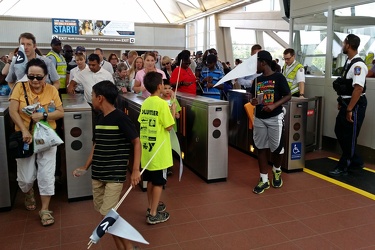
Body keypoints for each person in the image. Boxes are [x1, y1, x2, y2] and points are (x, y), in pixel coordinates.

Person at [73, 80, 141, 249]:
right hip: (98, 173)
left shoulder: (121, 118)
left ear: (100, 98)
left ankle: (129, 247)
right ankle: (128, 246)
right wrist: (85, 166)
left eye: (93, 96)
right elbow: (96, 144)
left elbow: (136, 142)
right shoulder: (99, 118)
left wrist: (135, 170)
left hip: (114, 174)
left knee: (107, 214)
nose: (92, 99)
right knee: (106, 216)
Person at [8, 58, 64, 225]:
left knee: (47, 174)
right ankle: (28, 190)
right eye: (31, 76)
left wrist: (44, 115)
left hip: (46, 138)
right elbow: (12, 110)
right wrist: (24, 130)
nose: (34, 81)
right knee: (25, 178)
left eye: (39, 77)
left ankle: (45, 209)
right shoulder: (20, 87)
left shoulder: (52, 90)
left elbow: (60, 112)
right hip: (25, 138)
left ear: (45, 76)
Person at [250, 50, 291, 194]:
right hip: (260, 118)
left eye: (256, 62)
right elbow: (252, 96)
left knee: (277, 148)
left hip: (275, 118)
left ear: (263, 63)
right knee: (261, 148)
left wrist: (274, 105)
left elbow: (288, 95)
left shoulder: (278, 77)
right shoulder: (257, 80)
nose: (255, 65)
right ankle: (264, 179)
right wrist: (252, 100)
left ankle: (277, 170)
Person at [138, 71, 174, 224]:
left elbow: (141, 120)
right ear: (160, 86)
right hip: (159, 152)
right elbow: (169, 127)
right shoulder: (162, 104)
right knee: (159, 182)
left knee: (150, 181)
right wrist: (172, 107)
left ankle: (150, 206)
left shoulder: (145, 102)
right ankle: (153, 213)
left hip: (147, 150)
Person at [329, 34, 368, 177]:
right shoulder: (349, 62)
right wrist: (342, 102)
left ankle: (344, 166)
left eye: (344, 43)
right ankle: (356, 160)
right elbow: (347, 86)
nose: (342, 45)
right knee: (339, 130)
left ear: (349, 45)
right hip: (347, 103)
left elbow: (358, 89)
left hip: (355, 105)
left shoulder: (358, 65)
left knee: (349, 136)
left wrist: (350, 108)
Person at [161, 79, 181, 176]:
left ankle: (169, 167)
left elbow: (178, 114)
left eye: (169, 88)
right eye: (165, 88)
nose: (167, 90)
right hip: (163, 128)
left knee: (170, 147)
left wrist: (176, 113)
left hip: (173, 128)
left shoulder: (174, 100)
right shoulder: (160, 101)